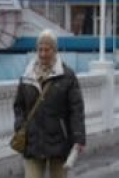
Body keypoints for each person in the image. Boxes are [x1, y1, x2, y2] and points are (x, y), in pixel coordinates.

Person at [13, 29, 86, 178]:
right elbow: (18, 105)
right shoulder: (28, 76)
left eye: (47, 50)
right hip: (33, 141)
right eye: (40, 49)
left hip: (59, 141)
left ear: (55, 50)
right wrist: (20, 125)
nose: (43, 54)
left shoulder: (67, 76)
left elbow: (76, 109)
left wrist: (79, 137)